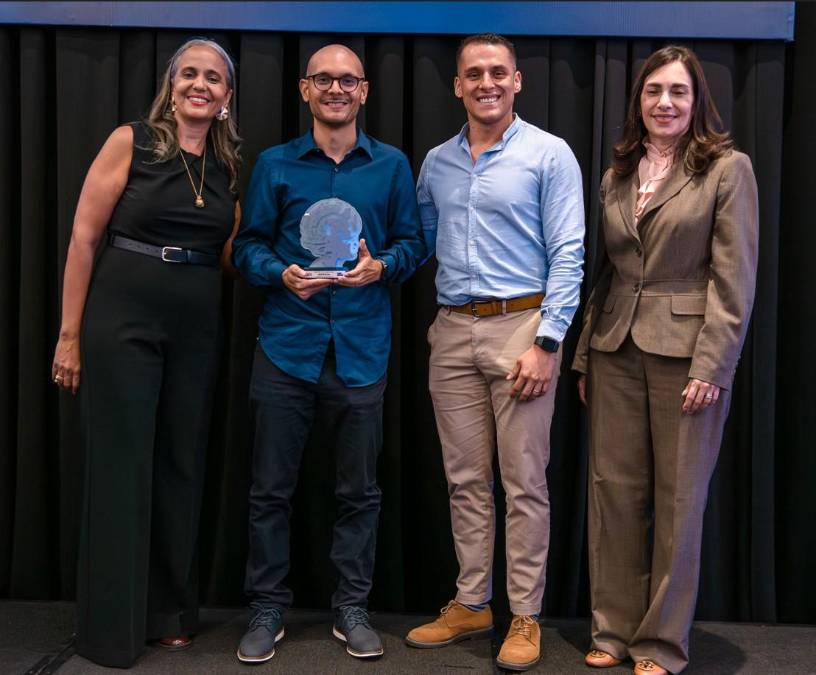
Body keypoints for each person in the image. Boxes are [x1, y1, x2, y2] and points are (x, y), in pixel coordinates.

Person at [50, 38, 241, 668]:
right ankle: (110, 627)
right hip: (122, 317)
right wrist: (69, 334)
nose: (201, 85)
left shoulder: (229, 166)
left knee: (180, 464)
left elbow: (231, 256)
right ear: (171, 84)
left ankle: (168, 615)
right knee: (122, 464)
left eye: (214, 78)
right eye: (190, 73)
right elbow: (84, 236)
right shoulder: (131, 140)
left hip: (196, 327)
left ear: (226, 97)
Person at [232, 44, 424, 664]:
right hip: (287, 346)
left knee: (359, 492)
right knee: (269, 490)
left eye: (348, 80)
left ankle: (351, 607)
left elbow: (414, 242)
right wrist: (278, 273)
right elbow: (247, 247)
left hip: (362, 350)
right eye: (325, 79)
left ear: (365, 91)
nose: (336, 89)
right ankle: (266, 606)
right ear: (304, 88)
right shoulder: (275, 165)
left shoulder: (391, 166)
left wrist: (385, 266)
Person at [572, 45, 758, 675]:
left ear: (696, 100)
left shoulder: (728, 170)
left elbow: (734, 282)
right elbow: (606, 273)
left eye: (677, 92)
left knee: (679, 502)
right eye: (653, 91)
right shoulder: (619, 170)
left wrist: (714, 366)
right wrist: (581, 360)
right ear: (639, 101)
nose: (665, 103)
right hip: (613, 348)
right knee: (614, 496)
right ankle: (614, 633)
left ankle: (660, 645)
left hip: (689, 356)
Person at [406, 34, 585, 672]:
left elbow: (569, 252)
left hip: (522, 328)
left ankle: (525, 615)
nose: (486, 82)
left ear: (517, 81)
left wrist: (546, 342)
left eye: (497, 73)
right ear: (457, 85)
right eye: (473, 74)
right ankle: (471, 602)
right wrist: (367, 259)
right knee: (463, 482)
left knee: (524, 483)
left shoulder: (548, 154)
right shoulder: (436, 161)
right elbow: (421, 241)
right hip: (452, 330)